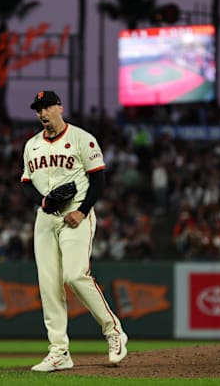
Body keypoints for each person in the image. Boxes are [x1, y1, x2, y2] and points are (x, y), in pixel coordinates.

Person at [21, 90, 127, 372]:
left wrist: (82, 210)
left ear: (59, 107)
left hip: (76, 215)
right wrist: (41, 201)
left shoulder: (82, 138)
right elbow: (26, 183)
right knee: (49, 285)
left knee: (74, 274)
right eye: (38, 109)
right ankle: (59, 352)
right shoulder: (32, 145)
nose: (42, 113)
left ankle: (113, 331)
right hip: (45, 219)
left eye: (47, 107)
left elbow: (99, 180)